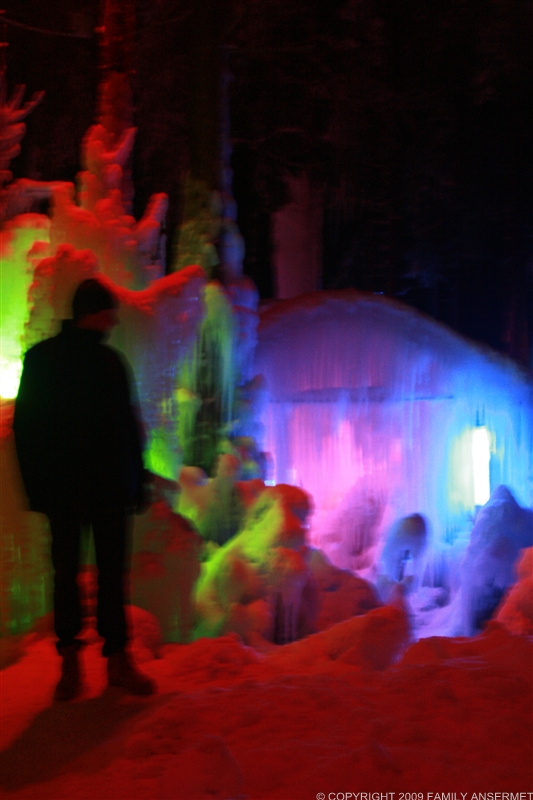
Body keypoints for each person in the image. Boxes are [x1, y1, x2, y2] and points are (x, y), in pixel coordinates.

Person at [13, 277, 155, 700]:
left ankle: (91, 663)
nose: (114, 320)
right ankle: (94, 661)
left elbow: (127, 427)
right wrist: (135, 479)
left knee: (82, 575)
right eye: (109, 311)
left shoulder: (76, 360)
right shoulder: (82, 361)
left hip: (83, 490)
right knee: (91, 575)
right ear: (91, 312)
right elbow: (28, 427)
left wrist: (138, 477)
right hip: (87, 490)